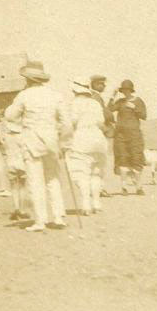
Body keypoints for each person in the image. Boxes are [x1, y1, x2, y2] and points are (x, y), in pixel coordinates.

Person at [3, 60, 68, 232]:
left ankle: (40, 220)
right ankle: (58, 217)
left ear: (28, 79)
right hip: (51, 140)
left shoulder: (24, 95)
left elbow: (10, 116)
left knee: (35, 181)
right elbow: (66, 122)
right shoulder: (55, 95)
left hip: (32, 141)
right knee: (53, 179)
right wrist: (63, 140)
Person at [64, 77, 109, 215]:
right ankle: (96, 203)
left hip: (82, 138)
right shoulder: (95, 103)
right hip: (98, 139)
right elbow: (101, 122)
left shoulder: (74, 104)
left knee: (81, 173)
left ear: (74, 90)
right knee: (96, 173)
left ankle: (86, 204)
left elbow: (71, 123)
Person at [109, 79, 148, 195]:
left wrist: (134, 108)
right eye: (123, 90)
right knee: (123, 160)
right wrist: (112, 96)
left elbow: (144, 116)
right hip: (120, 136)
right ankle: (124, 187)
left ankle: (138, 187)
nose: (125, 92)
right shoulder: (120, 102)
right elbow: (109, 109)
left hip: (135, 136)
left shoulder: (138, 101)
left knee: (137, 159)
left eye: (127, 90)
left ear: (131, 90)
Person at [89, 74, 115, 198]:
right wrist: (111, 117)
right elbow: (106, 115)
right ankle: (99, 189)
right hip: (100, 132)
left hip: (94, 132)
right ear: (94, 84)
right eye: (101, 84)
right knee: (100, 163)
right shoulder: (96, 97)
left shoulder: (93, 96)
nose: (104, 86)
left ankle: (96, 188)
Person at [0, 119, 29, 221]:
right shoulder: (22, 136)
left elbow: (3, 147)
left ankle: (16, 208)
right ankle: (22, 209)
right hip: (22, 163)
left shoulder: (6, 136)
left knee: (14, 187)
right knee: (22, 186)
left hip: (10, 163)